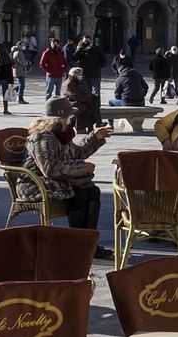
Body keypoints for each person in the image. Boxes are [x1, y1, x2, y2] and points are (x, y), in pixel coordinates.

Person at [18, 97, 113, 254]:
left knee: (93, 191)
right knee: (78, 194)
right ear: (61, 118)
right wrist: (82, 167)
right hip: (35, 183)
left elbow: (78, 153)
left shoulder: (62, 135)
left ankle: (89, 243)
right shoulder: (43, 138)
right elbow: (49, 168)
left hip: (55, 179)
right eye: (70, 116)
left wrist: (95, 138)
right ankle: (76, 244)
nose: (72, 119)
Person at [64, 66, 101, 134]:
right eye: (78, 75)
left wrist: (87, 96)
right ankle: (97, 123)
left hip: (83, 100)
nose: (80, 76)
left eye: (80, 74)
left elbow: (86, 91)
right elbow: (74, 96)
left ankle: (94, 126)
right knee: (90, 106)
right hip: (74, 102)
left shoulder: (80, 81)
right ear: (73, 75)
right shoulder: (69, 83)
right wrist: (87, 98)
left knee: (94, 100)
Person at [10, 40, 32, 105]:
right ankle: (20, 98)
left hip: (18, 70)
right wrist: (26, 63)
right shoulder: (18, 52)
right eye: (22, 45)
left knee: (21, 85)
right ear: (18, 45)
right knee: (22, 85)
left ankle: (13, 91)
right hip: (19, 70)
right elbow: (20, 61)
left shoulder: (17, 51)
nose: (23, 46)